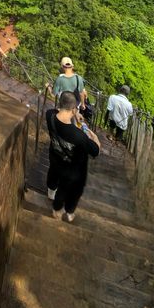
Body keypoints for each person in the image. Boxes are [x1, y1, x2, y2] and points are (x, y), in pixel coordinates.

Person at [46, 91, 100, 222]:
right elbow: (95, 151)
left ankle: (56, 209)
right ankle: (69, 212)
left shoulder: (50, 115)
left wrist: (74, 115)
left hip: (56, 158)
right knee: (73, 191)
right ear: (74, 108)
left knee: (58, 186)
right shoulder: (79, 136)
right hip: (73, 171)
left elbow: (58, 111)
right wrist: (95, 138)